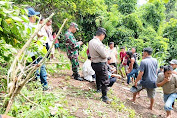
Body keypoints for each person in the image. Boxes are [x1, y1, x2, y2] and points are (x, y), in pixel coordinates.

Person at [27, 7, 49, 91]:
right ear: (31, 17)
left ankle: (35, 85)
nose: (36, 18)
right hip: (35, 50)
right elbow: (38, 36)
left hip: (29, 52)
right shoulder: (31, 26)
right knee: (40, 67)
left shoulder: (26, 25)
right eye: (35, 16)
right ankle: (44, 85)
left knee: (33, 68)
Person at [89, 27, 111, 103]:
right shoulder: (98, 43)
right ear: (102, 35)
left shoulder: (91, 41)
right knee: (105, 80)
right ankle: (104, 96)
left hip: (94, 63)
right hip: (100, 63)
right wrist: (107, 52)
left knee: (98, 76)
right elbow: (104, 55)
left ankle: (98, 89)